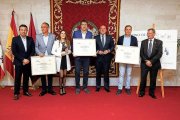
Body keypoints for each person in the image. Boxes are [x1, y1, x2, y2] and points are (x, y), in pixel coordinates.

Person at [12, 24, 35, 100]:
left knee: (26, 78)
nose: (23, 31)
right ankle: (16, 93)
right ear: (19, 30)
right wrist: (23, 60)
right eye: (22, 29)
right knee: (17, 78)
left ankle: (25, 91)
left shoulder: (30, 39)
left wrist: (28, 59)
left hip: (28, 62)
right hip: (19, 62)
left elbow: (33, 50)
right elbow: (14, 52)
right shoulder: (15, 39)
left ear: (27, 30)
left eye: (25, 30)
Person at [139, 28, 163, 99]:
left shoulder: (159, 42)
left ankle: (151, 93)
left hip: (154, 64)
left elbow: (159, 54)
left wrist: (151, 61)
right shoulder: (143, 42)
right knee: (143, 79)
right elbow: (141, 53)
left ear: (154, 34)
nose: (148, 34)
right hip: (144, 63)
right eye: (148, 33)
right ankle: (142, 92)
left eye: (150, 33)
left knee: (153, 79)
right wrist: (146, 61)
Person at [35, 22, 56, 96]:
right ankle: (44, 90)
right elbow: (36, 47)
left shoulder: (53, 36)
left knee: (50, 74)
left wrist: (54, 54)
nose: (42, 28)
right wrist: (39, 53)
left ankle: (50, 89)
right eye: (42, 27)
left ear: (48, 28)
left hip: (50, 57)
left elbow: (55, 46)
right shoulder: (38, 36)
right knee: (43, 74)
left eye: (44, 27)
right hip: (42, 57)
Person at [116, 25, 138, 95]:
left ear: (131, 30)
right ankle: (119, 88)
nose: (128, 31)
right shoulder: (120, 38)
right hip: (122, 59)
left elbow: (136, 49)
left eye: (129, 29)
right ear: (124, 30)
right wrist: (116, 48)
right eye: (127, 29)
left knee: (129, 74)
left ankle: (127, 88)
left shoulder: (134, 39)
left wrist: (134, 60)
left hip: (130, 60)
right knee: (121, 74)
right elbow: (117, 47)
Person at [73, 20, 93, 94]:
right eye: (82, 24)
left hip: (86, 57)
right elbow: (73, 43)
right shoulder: (76, 33)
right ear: (80, 26)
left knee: (86, 72)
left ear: (87, 26)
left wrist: (92, 51)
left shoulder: (90, 34)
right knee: (77, 72)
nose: (84, 26)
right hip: (78, 56)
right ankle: (77, 87)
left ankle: (85, 87)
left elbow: (91, 44)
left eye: (85, 24)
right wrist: (74, 52)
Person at [95, 25, 114, 92]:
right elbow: (92, 46)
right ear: (99, 30)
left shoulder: (109, 37)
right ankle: (98, 86)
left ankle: (106, 87)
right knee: (98, 72)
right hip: (98, 58)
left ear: (106, 30)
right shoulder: (95, 37)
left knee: (106, 72)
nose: (102, 29)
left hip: (107, 58)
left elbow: (112, 46)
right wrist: (97, 51)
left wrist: (108, 50)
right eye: (101, 28)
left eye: (104, 28)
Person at [51, 30, 71, 95]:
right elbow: (52, 51)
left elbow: (70, 51)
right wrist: (60, 54)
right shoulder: (56, 42)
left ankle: (64, 88)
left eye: (64, 33)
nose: (63, 34)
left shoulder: (67, 42)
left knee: (65, 75)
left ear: (65, 35)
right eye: (62, 33)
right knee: (61, 75)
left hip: (65, 59)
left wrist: (68, 51)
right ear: (60, 34)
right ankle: (60, 88)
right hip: (60, 60)